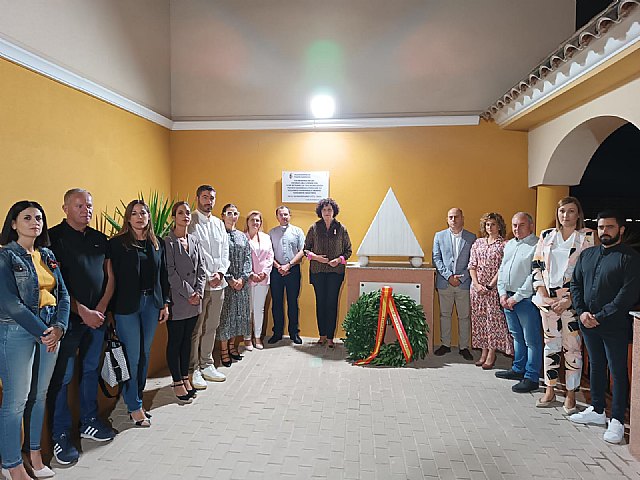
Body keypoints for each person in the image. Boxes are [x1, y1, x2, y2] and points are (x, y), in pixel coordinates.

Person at [0, 201, 69, 480]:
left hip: (51, 330)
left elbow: (63, 294)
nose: (34, 222)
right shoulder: (5, 256)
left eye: (38, 217)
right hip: (18, 331)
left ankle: (35, 455)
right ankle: (11, 464)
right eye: (26, 217)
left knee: (39, 396)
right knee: (15, 401)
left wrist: (60, 327)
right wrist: (44, 332)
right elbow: (10, 303)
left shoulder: (48, 255)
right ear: (13, 224)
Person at [46, 189, 115, 466]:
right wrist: (82, 311)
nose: (86, 210)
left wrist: (99, 309)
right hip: (67, 322)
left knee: (89, 371)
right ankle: (60, 435)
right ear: (65, 208)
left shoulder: (101, 239)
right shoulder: (52, 238)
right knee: (61, 379)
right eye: (79, 205)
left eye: (89, 205)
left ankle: (89, 421)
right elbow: (54, 283)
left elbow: (110, 277)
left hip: (96, 319)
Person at [569, 211, 640, 443]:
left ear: (620, 230)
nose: (604, 231)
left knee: (617, 371)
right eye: (601, 227)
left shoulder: (630, 258)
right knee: (597, 366)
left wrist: (600, 315)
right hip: (588, 322)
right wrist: (582, 313)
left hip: (615, 325)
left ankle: (617, 420)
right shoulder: (587, 255)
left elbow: (627, 294)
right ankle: (598, 411)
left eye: (609, 227)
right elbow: (576, 284)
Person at [109, 200, 170, 427]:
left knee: (144, 354)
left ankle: (137, 398)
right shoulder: (117, 244)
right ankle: (133, 406)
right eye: (134, 213)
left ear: (148, 217)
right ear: (128, 218)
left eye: (143, 213)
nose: (139, 217)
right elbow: (110, 278)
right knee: (132, 357)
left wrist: (164, 303)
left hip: (151, 305)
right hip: (126, 307)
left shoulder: (157, 243)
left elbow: (162, 275)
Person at [532, 196, 595, 414]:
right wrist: (542, 292)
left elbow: (589, 273)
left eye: (570, 211)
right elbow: (537, 266)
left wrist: (569, 299)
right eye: (561, 211)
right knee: (550, 346)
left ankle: (570, 394)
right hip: (547, 301)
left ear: (578, 214)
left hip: (571, 302)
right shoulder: (547, 236)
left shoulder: (586, 237)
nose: (565, 215)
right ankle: (550, 389)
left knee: (573, 349)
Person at [495, 212, 542, 393]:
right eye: (514, 225)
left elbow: (534, 275)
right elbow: (502, 269)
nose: (516, 228)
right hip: (507, 298)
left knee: (532, 340)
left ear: (531, 225)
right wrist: (502, 294)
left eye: (521, 225)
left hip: (524, 299)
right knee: (517, 337)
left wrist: (516, 297)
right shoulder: (510, 245)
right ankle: (518, 369)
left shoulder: (537, 245)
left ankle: (531, 377)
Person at [164, 201, 206, 402]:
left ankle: (185, 376)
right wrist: (189, 292)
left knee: (188, 341)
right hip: (178, 300)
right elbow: (169, 272)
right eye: (180, 213)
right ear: (174, 217)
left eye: (188, 213)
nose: (185, 216)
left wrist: (198, 291)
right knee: (175, 341)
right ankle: (177, 381)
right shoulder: (168, 242)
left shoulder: (195, 240)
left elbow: (202, 269)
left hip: (194, 300)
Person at [188, 185, 228, 388]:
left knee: (212, 326)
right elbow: (192, 254)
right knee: (196, 328)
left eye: (212, 198)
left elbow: (224, 252)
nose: (209, 201)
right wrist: (206, 277)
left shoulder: (219, 224)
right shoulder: (190, 221)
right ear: (197, 199)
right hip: (200, 285)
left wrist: (220, 272)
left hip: (218, 284)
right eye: (205, 197)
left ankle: (207, 364)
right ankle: (193, 369)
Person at [304, 198, 352, 348]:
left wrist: (339, 260)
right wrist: (317, 258)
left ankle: (331, 337)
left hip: (335, 272)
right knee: (321, 303)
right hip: (318, 271)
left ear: (334, 211)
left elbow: (348, 250)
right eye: (324, 210)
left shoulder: (341, 228)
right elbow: (306, 250)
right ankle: (322, 335)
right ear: (320, 211)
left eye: (329, 210)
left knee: (331, 303)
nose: (327, 212)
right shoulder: (314, 228)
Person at [432, 208, 477, 360]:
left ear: (462, 218)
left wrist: (462, 277)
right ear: (447, 219)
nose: (454, 220)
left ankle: (464, 347)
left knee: (464, 316)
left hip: (463, 284)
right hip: (445, 283)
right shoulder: (439, 236)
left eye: (456, 217)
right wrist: (449, 276)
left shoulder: (472, 238)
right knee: (444, 314)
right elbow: (436, 258)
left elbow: (474, 261)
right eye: (451, 217)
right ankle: (445, 344)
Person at [468, 212, 511, 369]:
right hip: (477, 290)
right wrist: (477, 284)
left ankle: (491, 354)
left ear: (499, 226)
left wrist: (489, 285)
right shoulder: (477, 243)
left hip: (493, 290)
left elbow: (503, 268)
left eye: (493, 224)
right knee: (479, 321)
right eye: (487, 224)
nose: (490, 227)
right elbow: (472, 265)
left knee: (492, 321)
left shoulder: (504, 245)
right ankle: (483, 352)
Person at [218, 204, 252, 366]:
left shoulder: (242, 236)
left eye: (235, 213)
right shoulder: (219, 235)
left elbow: (247, 258)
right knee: (226, 317)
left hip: (242, 284)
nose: (232, 216)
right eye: (229, 213)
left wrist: (243, 278)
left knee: (238, 316)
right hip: (225, 283)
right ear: (223, 215)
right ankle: (223, 350)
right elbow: (218, 258)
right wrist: (230, 279)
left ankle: (232, 346)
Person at [268, 206, 305, 345]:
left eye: (286, 214)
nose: (284, 217)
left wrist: (289, 265)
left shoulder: (297, 231)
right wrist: (278, 266)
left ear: (290, 215)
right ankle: (277, 333)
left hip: (293, 271)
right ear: (277, 217)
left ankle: (294, 333)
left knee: (292, 302)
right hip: (276, 271)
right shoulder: (271, 232)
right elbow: (268, 253)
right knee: (277, 303)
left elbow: (303, 251)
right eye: (281, 215)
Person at [245, 211, 273, 350]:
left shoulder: (266, 238)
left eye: (257, 220)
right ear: (247, 221)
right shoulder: (242, 237)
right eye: (252, 220)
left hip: (263, 278)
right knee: (248, 309)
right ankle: (247, 338)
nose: (255, 223)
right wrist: (250, 274)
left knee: (259, 309)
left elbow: (270, 257)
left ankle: (257, 338)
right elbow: (242, 258)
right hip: (248, 279)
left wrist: (263, 273)